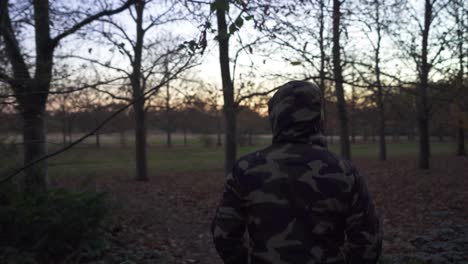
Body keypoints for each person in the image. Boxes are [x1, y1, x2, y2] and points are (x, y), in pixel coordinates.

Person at [211, 80, 382, 264]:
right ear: (318, 117)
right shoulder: (344, 171)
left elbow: (224, 234)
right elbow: (368, 241)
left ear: (275, 117)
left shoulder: (246, 169)